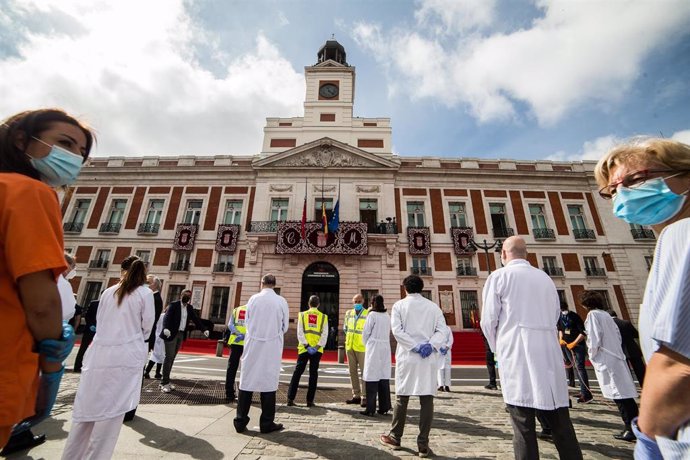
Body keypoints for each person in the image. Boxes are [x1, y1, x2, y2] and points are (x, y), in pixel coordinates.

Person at [0, 109, 92, 454]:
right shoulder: (29, 192)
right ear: (21, 139)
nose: (72, 158)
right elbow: (41, 302)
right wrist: (52, 367)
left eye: (80, 153)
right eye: (64, 143)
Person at [595, 137, 690, 458]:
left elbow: (678, 365)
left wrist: (647, 438)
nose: (624, 195)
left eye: (636, 180)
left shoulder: (681, 233)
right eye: (613, 190)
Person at [481, 236, 582, 460]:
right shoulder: (545, 278)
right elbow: (556, 314)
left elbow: (488, 320)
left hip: (516, 349)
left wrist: (498, 348)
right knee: (560, 420)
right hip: (548, 350)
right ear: (526, 254)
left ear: (504, 255)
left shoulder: (499, 276)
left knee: (523, 423)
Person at [61, 259, 154, 459]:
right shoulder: (145, 294)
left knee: (84, 414)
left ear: (123, 271)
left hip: (100, 353)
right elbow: (147, 326)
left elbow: (100, 321)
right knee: (110, 418)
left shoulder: (108, 291)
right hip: (126, 355)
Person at [379, 275, 447, 458]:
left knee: (402, 397)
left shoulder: (399, 306)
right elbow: (442, 330)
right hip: (427, 357)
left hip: (408, 356)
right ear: (422, 288)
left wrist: (414, 346)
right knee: (427, 399)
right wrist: (431, 345)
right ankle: (423, 444)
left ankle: (395, 436)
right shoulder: (433, 307)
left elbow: (397, 331)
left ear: (405, 288)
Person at [580, 291, 639, 442]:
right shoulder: (606, 315)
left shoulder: (593, 315)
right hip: (616, 355)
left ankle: (630, 428)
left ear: (586, 304)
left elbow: (594, 338)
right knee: (625, 394)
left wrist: (592, 355)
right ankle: (636, 425)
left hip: (607, 358)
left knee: (619, 395)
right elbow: (617, 336)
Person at [234, 274, 288, 434]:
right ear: (275, 284)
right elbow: (285, 327)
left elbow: (247, 321)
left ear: (262, 283)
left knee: (247, 380)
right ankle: (266, 423)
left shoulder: (253, 299)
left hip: (253, 344)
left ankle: (240, 421)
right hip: (272, 346)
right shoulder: (281, 301)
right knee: (269, 382)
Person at [159, 289, 210, 393]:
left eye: (188, 296)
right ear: (181, 295)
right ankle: (164, 383)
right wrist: (165, 328)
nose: (186, 297)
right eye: (185, 295)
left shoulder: (189, 308)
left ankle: (166, 381)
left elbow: (196, 320)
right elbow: (166, 318)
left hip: (181, 334)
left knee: (172, 357)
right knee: (168, 357)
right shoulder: (174, 305)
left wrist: (204, 329)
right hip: (171, 333)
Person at [287, 295, 328, 407]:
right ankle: (310, 401)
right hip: (317, 350)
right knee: (313, 374)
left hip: (304, 349)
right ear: (318, 304)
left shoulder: (302, 315)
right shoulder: (323, 317)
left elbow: (299, 332)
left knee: (297, 372)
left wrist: (306, 345)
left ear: (308, 304)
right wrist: (316, 347)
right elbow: (325, 334)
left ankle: (290, 399)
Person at [361, 294, 392, 416]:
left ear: (372, 303)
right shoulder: (386, 315)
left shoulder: (372, 315)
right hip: (385, 346)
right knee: (383, 376)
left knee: (371, 377)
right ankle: (384, 406)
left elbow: (366, 333)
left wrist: (367, 345)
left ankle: (370, 408)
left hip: (374, 346)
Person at [557, 301, 593, 403]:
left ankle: (587, 395)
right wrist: (561, 338)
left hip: (577, 346)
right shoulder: (560, 317)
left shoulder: (574, 316)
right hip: (566, 346)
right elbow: (560, 329)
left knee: (580, 368)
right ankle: (583, 391)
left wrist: (574, 343)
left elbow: (583, 332)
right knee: (575, 368)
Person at [608, 310, 646, 386]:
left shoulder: (609, 326)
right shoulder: (626, 322)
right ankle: (645, 386)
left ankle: (631, 389)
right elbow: (636, 334)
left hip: (620, 351)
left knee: (626, 373)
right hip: (632, 349)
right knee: (640, 370)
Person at [344, 293, 368, 407]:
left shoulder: (368, 313)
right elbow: (345, 328)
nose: (357, 304)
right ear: (353, 302)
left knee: (364, 373)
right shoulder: (349, 313)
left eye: (359, 301)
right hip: (350, 346)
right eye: (355, 302)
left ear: (363, 301)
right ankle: (356, 395)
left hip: (362, 347)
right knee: (352, 372)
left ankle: (365, 396)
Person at [225, 304, 247, 402]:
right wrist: (245, 335)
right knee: (247, 369)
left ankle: (229, 393)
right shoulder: (254, 310)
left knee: (231, 368)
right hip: (248, 342)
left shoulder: (237, 310)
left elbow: (230, 325)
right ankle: (244, 394)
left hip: (236, 341)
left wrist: (238, 334)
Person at [73, 298, 99, 373]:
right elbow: (88, 315)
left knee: (98, 350)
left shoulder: (109, 305)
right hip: (90, 330)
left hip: (101, 331)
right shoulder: (94, 303)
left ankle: (93, 367)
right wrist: (91, 325)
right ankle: (77, 366)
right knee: (83, 348)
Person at [144, 309, 166, 379]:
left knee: (158, 355)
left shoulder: (160, 316)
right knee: (159, 355)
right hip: (161, 337)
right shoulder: (166, 317)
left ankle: (155, 372)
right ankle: (149, 371)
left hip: (157, 336)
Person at [146, 275, 163, 351]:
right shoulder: (150, 296)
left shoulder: (156, 299)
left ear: (155, 285)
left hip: (147, 334)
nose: (146, 284)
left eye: (148, 282)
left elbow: (152, 319)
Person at [437, 324, 453, 392]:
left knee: (447, 368)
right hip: (439, 350)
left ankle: (447, 385)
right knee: (439, 368)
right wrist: (439, 347)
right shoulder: (436, 328)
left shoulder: (448, 328)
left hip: (447, 350)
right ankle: (440, 385)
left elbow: (451, 339)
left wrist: (447, 347)